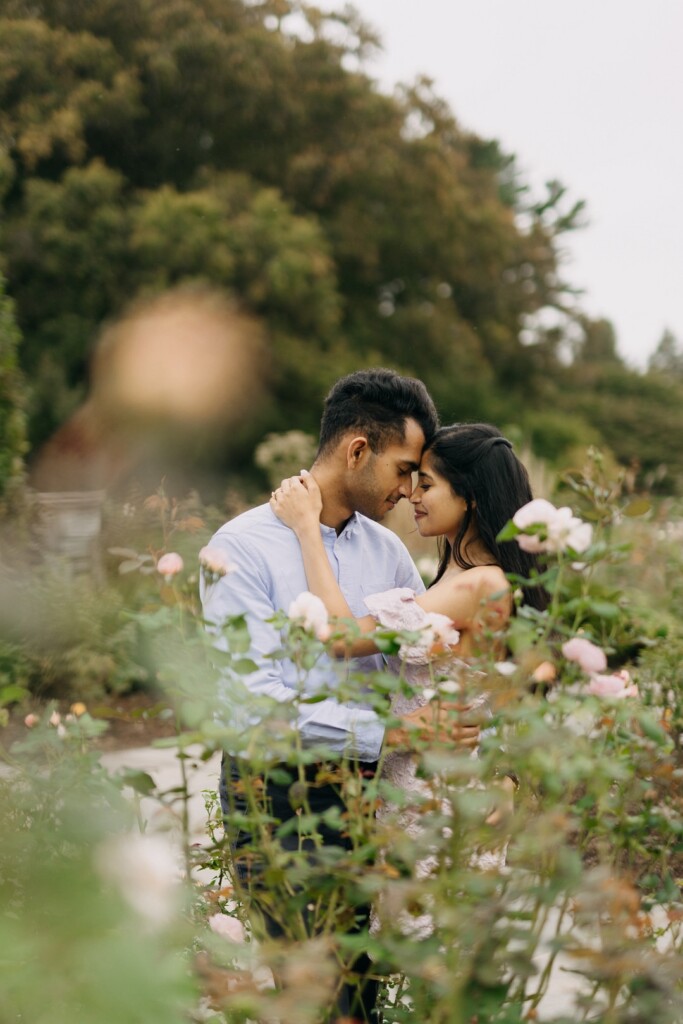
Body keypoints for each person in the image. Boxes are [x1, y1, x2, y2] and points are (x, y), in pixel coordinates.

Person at [201, 369, 478, 1023]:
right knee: (315, 997)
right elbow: (252, 705)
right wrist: (400, 736)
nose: (409, 489)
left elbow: (419, 660)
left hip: (368, 801)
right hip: (278, 802)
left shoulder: (388, 553)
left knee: (359, 997)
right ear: (357, 450)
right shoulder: (238, 549)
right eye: (404, 469)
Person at [270, 422, 548, 923]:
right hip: (434, 786)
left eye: (428, 484)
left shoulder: (479, 585)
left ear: (471, 499)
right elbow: (513, 698)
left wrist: (307, 529)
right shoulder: (471, 580)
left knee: (432, 953)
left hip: (436, 796)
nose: (413, 496)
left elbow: (341, 638)